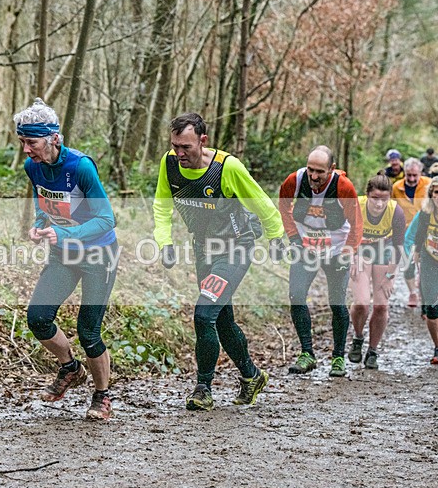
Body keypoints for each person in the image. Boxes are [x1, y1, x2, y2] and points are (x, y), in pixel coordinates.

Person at [153, 112, 284, 411]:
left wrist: (276, 236)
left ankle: (203, 388)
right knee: (221, 319)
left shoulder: (227, 168)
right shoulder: (169, 164)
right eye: (175, 145)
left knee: (203, 314)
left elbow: (260, 202)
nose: (179, 153)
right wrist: (165, 242)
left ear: (203, 140)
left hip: (235, 249)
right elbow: (161, 205)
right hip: (204, 250)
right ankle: (251, 376)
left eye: (186, 147)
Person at [16, 98, 118, 421]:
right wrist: (38, 224)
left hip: (99, 255)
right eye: (22, 142)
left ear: (53, 139)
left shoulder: (81, 167)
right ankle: (70, 368)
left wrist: (66, 236)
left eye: (31, 142)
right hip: (64, 255)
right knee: (38, 317)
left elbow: (107, 219)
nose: (25, 150)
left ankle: (102, 396)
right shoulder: (32, 166)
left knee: (88, 331)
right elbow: (41, 202)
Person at [278, 146, 362, 377]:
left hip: (336, 249)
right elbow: (283, 207)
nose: (314, 176)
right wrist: (293, 237)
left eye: (320, 172)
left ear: (332, 169)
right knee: (296, 296)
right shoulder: (294, 181)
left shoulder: (344, 187)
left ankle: (338, 357)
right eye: (310, 170)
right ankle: (307, 353)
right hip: (306, 248)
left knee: (336, 302)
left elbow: (356, 222)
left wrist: (349, 251)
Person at [348, 175, 406, 370]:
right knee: (362, 302)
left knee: (381, 305)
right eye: (375, 198)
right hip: (360, 250)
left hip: (384, 250)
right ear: (367, 195)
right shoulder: (357, 205)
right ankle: (357, 337)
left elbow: (399, 247)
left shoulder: (396, 211)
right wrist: (352, 255)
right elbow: (345, 233)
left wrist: (390, 277)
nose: (379, 203)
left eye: (384, 198)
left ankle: (372, 350)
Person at [404, 174, 438, 364]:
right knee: (432, 307)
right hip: (431, 260)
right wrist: (416, 254)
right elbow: (418, 234)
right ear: (431, 194)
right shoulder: (426, 213)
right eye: (437, 192)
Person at [392, 158, 431, 308]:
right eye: (409, 175)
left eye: (415, 175)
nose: (412, 179)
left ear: (421, 173)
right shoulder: (396, 187)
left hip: (425, 231)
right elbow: (392, 207)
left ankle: (425, 292)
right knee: (408, 264)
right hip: (404, 232)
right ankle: (412, 292)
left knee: (425, 264)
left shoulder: (429, 184)